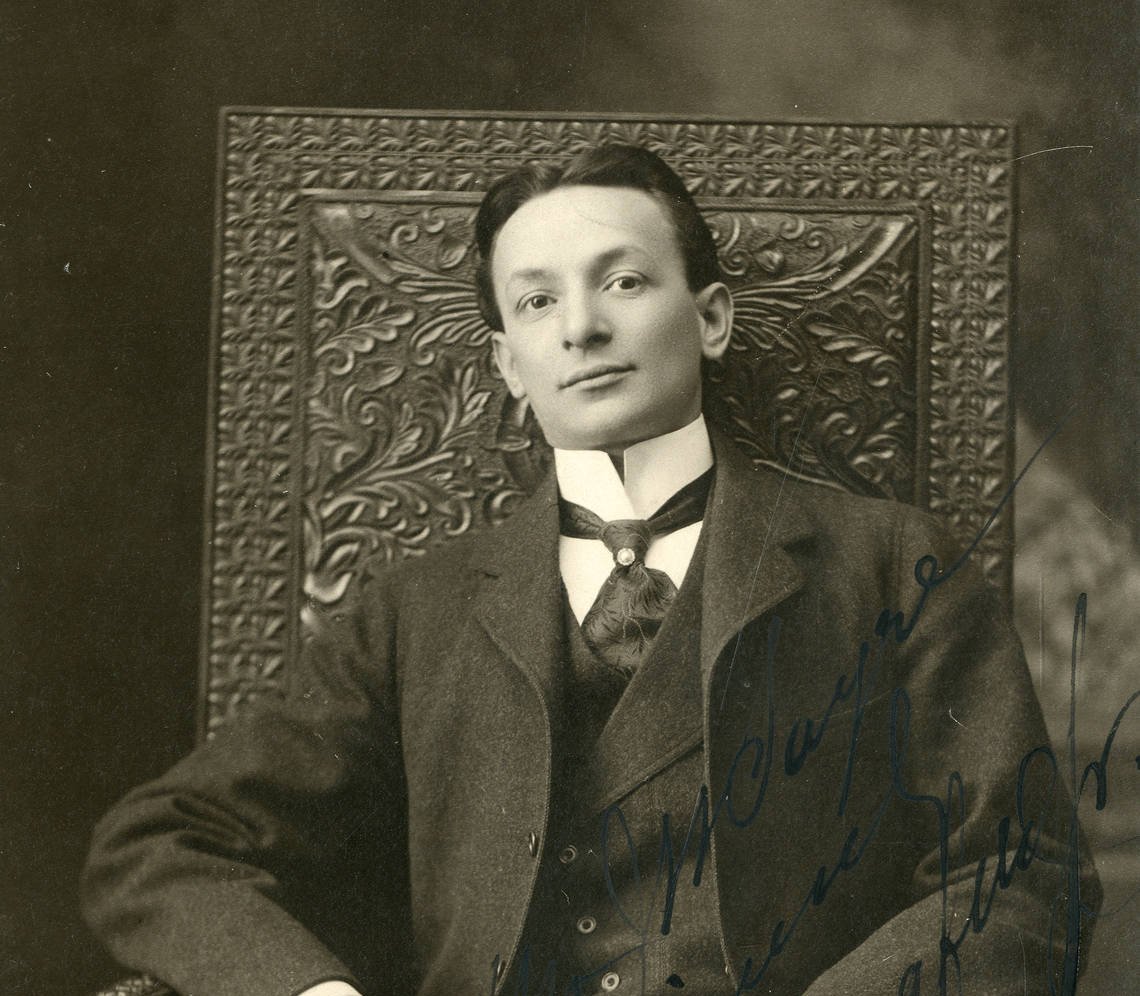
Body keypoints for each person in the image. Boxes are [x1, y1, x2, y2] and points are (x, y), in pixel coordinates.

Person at [83, 145, 1099, 996]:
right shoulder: (415, 609)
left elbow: (1024, 876)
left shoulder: (891, 563)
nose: (580, 328)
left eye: (623, 280)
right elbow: (161, 846)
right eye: (536, 302)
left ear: (711, 318)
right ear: (508, 366)